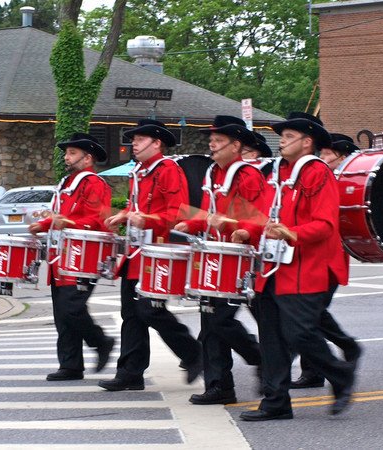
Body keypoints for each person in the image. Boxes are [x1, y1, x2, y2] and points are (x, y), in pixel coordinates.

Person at [239, 112, 355, 421]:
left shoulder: (319, 173)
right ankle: (276, 402)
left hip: (306, 267)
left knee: (298, 333)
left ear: (307, 142)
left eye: (289, 137)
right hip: (273, 266)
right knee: (272, 337)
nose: (283, 142)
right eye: (283, 137)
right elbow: (263, 216)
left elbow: (326, 224)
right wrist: (247, 231)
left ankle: (340, 374)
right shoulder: (275, 171)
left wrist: (293, 232)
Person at [98, 119, 202, 391]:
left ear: (157, 143)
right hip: (136, 252)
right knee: (131, 314)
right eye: (133, 139)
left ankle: (192, 352)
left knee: (149, 311)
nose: (133, 143)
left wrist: (147, 220)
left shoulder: (167, 169)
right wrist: (123, 215)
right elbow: (137, 208)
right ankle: (130, 373)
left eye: (140, 139)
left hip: (157, 253)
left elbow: (177, 213)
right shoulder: (140, 172)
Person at [174, 115, 265, 405]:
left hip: (238, 258)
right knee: (210, 320)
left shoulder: (247, 175)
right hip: (213, 255)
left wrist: (240, 229)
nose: (211, 145)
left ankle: (259, 356)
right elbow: (207, 213)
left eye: (218, 140)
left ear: (236, 145)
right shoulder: (213, 173)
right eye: (211, 140)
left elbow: (257, 217)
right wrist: (192, 224)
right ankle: (219, 386)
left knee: (221, 321)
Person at [29, 132, 115, 381]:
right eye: (67, 153)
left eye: (72, 153)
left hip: (84, 255)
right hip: (62, 256)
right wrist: (43, 224)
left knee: (72, 308)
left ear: (87, 158)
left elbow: (97, 220)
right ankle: (70, 365)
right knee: (62, 313)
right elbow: (61, 216)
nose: (66, 157)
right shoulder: (68, 183)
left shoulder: (94, 183)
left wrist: (66, 222)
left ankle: (101, 342)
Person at [290, 133, 362, 389]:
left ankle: (335, 358)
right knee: (310, 316)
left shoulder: (332, 179)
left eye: (326, 155)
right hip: (306, 255)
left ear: (341, 158)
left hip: (328, 257)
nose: (322, 158)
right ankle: (334, 354)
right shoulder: (308, 174)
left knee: (306, 318)